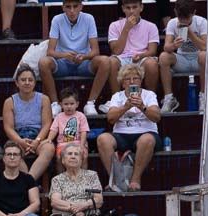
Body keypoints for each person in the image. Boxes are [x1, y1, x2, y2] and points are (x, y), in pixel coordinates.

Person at [96, 62, 161, 191]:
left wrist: (142, 106)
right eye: (127, 79)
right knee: (103, 139)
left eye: (135, 78)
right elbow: (111, 119)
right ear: (123, 82)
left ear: (141, 81)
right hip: (122, 134)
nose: (132, 81)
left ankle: (135, 179)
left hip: (146, 132)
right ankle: (115, 180)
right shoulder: (117, 96)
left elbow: (156, 117)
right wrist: (126, 107)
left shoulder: (149, 95)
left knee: (146, 140)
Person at [39, 0, 108, 117]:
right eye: (68, 7)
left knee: (105, 61)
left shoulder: (89, 18)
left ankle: (90, 103)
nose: (72, 10)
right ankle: (55, 104)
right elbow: (50, 51)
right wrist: (65, 55)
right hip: (63, 63)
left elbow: (96, 50)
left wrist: (84, 56)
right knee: (43, 62)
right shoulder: (57, 19)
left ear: (81, 6)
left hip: (83, 63)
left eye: (75, 6)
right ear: (63, 7)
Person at [2, 67, 54, 181]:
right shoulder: (10, 101)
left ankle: (28, 182)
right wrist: (20, 141)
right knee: (12, 150)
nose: (27, 83)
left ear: (35, 82)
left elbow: (47, 124)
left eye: (30, 80)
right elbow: (8, 127)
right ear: (17, 82)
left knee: (49, 148)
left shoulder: (44, 99)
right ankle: (30, 184)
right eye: (23, 80)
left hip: (39, 136)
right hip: (19, 136)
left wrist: (37, 141)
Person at [105, 0, 160, 104]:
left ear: (141, 8)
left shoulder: (151, 26)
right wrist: (126, 28)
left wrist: (140, 55)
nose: (131, 11)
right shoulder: (114, 25)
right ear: (123, 9)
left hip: (142, 57)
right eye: (128, 8)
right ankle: (115, 101)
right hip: (122, 57)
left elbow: (152, 51)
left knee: (152, 64)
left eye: (134, 7)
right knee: (111, 62)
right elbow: (116, 51)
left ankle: (151, 100)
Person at [159, 0, 208, 113]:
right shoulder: (172, 23)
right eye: (181, 18)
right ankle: (169, 98)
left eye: (187, 17)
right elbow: (166, 47)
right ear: (175, 12)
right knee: (163, 57)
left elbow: (205, 47)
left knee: (204, 55)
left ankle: (204, 96)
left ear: (194, 12)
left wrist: (189, 32)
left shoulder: (202, 22)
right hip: (182, 60)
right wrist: (174, 45)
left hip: (198, 60)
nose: (184, 21)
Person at [45, 87, 90, 158]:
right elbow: (54, 130)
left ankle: (83, 169)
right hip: (63, 144)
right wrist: (49, 139)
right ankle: (62, 169)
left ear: (77, 104)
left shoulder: (81, 116)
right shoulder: (58, 117)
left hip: (78, 143)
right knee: (59, 157)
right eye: (66, 104)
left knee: (83, 156)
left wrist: (82, 144)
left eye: (72, 104)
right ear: (61, 105)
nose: (69, 106)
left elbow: (84, 131)